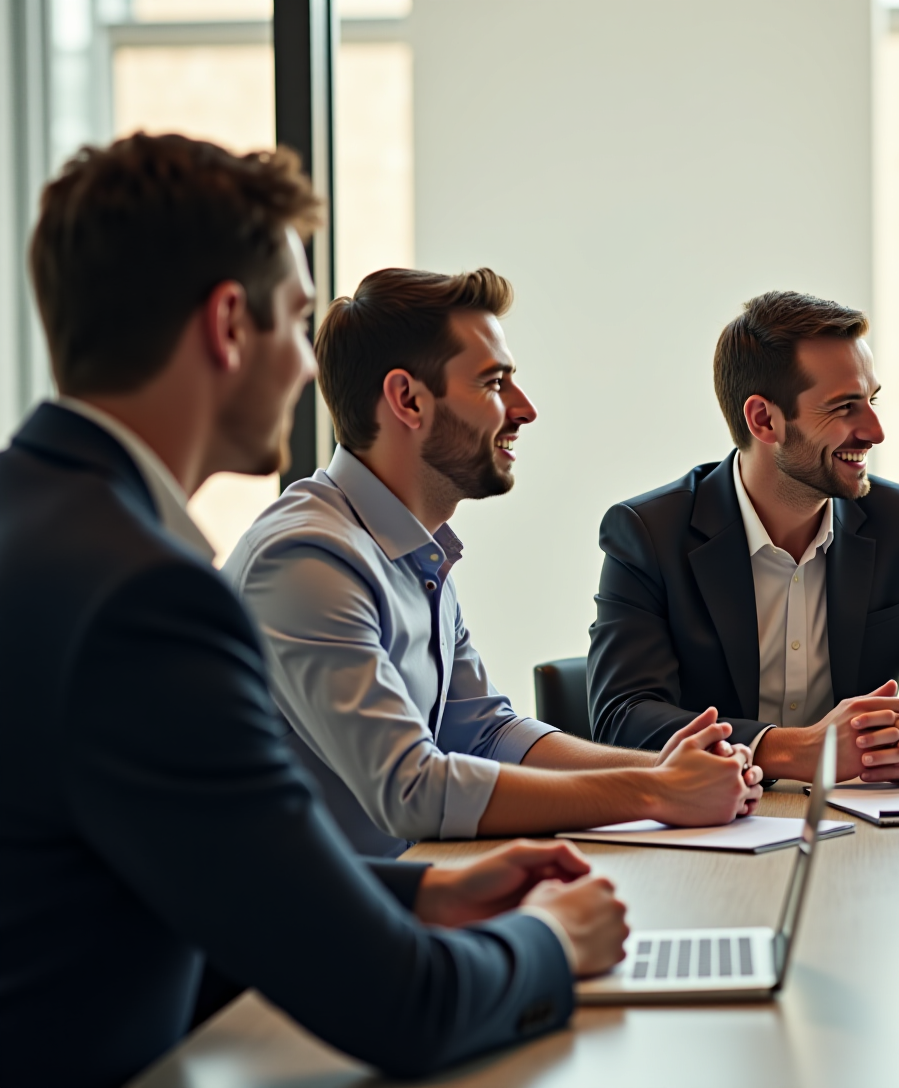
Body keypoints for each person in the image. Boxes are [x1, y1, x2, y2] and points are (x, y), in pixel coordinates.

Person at [0, 134, 628, 1088]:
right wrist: (551, 941)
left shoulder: (40, 529)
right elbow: (401, 1007)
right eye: (296, 323)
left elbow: (184, 877)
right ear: (226, 325)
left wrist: (422, 892)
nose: (305, 367)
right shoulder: (147, 596)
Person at [225, 268, 762, 859]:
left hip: (407, 897)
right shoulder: (307, 560)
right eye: (494, 383)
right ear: (407, 399)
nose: (525, 409)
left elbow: (487, 732)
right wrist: (655, 791)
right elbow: (413, 789)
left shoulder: (411, 550)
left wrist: (668, 767)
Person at [589, 290, 899, 783]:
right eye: (843, 408)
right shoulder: (649, 533)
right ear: (764, 420)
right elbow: (622, 718)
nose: (875, 430)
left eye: (872, 401)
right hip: (710, 829)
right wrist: (789, 750)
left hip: (862, 834)